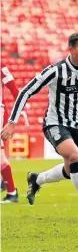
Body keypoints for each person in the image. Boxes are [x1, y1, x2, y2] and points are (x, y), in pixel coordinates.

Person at [1, 32, 78, 222]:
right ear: (71, 49)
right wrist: (12, 122)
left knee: (72, 167)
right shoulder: (55, 70)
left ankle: (36, 180)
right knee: (75, 158)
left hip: (76, 126)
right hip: (54, 124)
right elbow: (25, 91)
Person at [0, 65, 20, 203]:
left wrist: (15, 115)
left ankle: (12, 192)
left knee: (0, 156)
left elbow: (15, 90)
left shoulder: (1, 67)